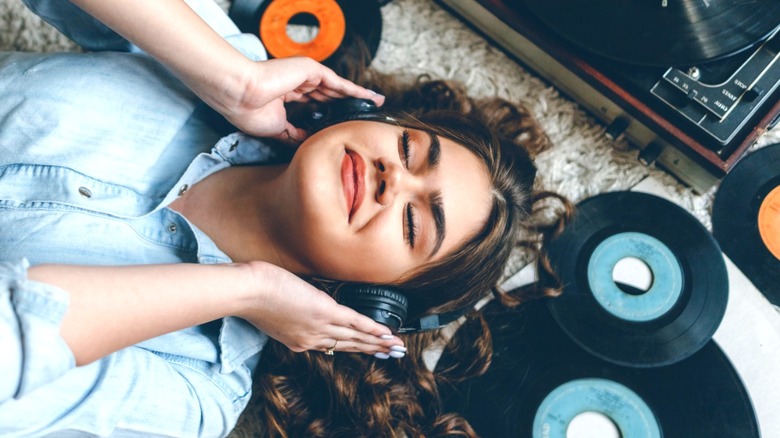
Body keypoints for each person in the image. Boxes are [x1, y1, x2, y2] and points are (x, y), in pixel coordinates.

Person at [0, 1, 570, 436]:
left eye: (413, 225)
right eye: (408, 149)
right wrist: (234, 77)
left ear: (372, 303)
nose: (392, 179)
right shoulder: (232, 71)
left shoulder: (194, 393)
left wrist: (248, 288)